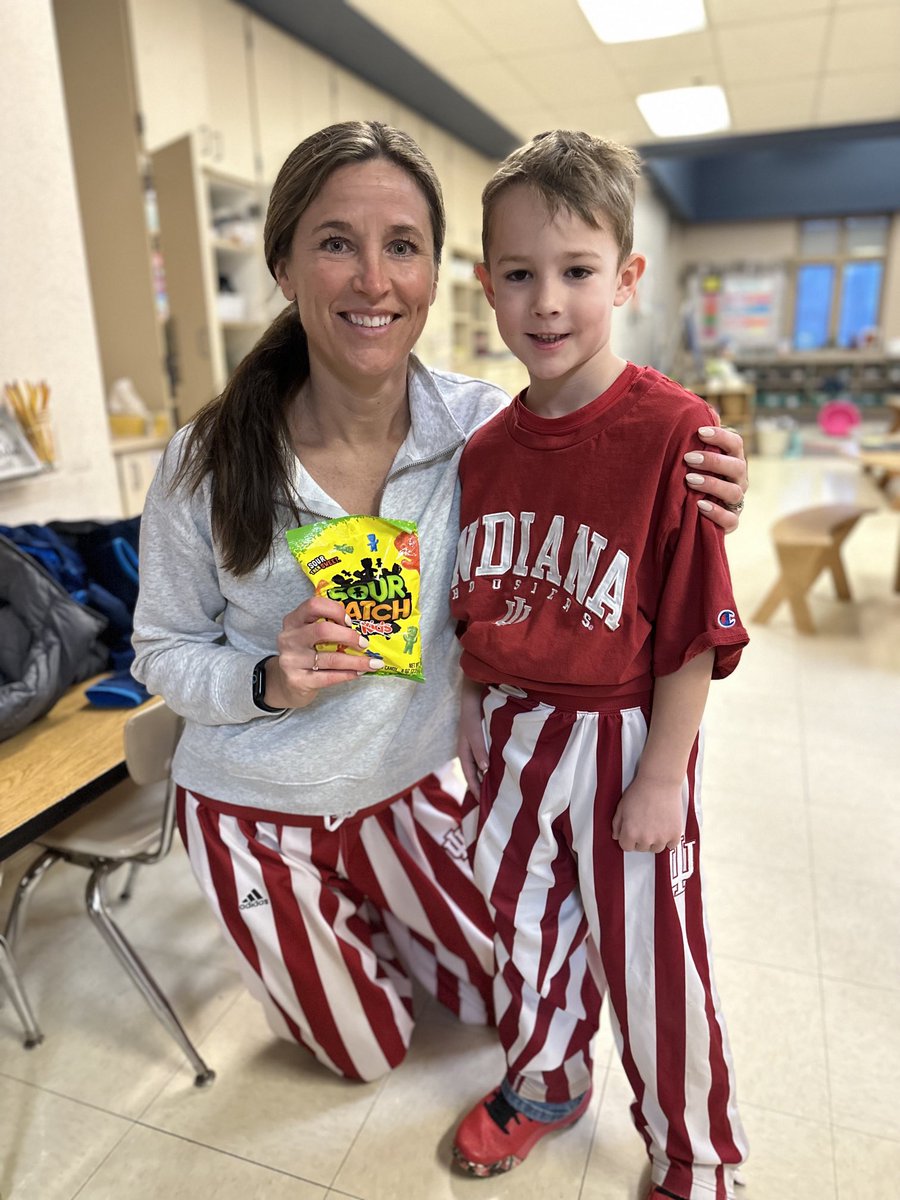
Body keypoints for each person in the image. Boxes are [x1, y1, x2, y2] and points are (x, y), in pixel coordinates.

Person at [131, 121, 749, 1088]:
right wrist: (265, 678)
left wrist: (699, 476)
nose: (373, 280)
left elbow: (608, 476)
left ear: (434, 272)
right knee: (370, 1055)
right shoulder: (204, 464)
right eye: (336, 242)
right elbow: (160, 648)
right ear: (285, 265)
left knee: (482, 994)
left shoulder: (480, 428)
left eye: (402, 246)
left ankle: (369, 912)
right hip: (259, 804)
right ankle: (293, 919)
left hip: (410, 786)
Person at [449, 130, 748, 1200]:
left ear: (625, 275)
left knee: (655, 962)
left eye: (577, 272)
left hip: (624, 740)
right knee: (524, 934)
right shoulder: (482, 449)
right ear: (486, 286)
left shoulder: (678, 433)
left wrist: (666, 773)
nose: (547, 302)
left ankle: (696, 1155)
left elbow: (692, 630)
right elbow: (473, 606)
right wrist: (473, 734)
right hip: (508, 737)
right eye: (520, 275)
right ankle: (548, 1082)